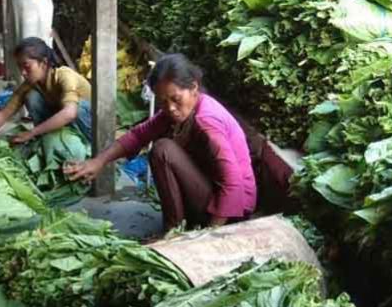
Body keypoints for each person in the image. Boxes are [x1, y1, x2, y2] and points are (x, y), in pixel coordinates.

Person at [64, 54, 257, 232]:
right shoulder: (176, 112)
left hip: (233, 210)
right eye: (163, 102)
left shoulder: (207, 121)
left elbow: (232, 183)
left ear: (194, 87)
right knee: (163, 147)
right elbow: (138, 135)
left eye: (176, 99)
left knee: (163, 150)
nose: (171, 108)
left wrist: (210, 234)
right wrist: (98, 161)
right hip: (211, 195)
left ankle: (173, 230)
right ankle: (178, 226)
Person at [0, 38, 92, 179]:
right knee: (31, 96)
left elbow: (70, 114)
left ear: (44, 63)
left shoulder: (65, 76)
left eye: (27, 66)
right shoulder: (32, 83)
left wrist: (32, 133)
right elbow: (7, 111)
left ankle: (90, 149)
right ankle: (47, 139)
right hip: (65, 125)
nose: (23, 72)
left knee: (78, 107)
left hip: (89, 126)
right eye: (20, 67)